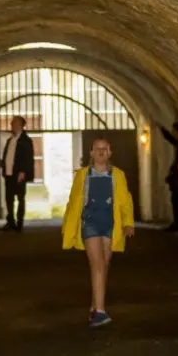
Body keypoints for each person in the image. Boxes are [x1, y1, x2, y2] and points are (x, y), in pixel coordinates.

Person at [61, 137, 135, 328]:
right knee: (98, 263)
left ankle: (95, 305)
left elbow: (125, 200)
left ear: (110, 153)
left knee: (104, 264)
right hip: (90, 223)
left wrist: (128, 222)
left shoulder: (117, 175)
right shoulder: (82, 175)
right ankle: (100, 313)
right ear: (91, 153)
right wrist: (67, 226)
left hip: (110, 225)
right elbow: (73, 201)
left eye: (105, 149)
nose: (101, 152)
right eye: (97, 149)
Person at [0, 116, 35, 232]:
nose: (12, 125)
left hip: (19, 175)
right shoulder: (10, 140)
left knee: (20, 199)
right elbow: (7, 156)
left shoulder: (26, 141)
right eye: (12, 123)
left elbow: (28, 158)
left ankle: (19, 224)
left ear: (20, 125)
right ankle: (10, 222)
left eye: (14, 123)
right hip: (8, 174)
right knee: (9, 199)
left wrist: (23, 172)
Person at [160, 121, 178, 231]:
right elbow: (171, 139)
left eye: (174, 131)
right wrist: (161, 128)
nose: (174, 133)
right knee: (176, 199)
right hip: (177, 177)